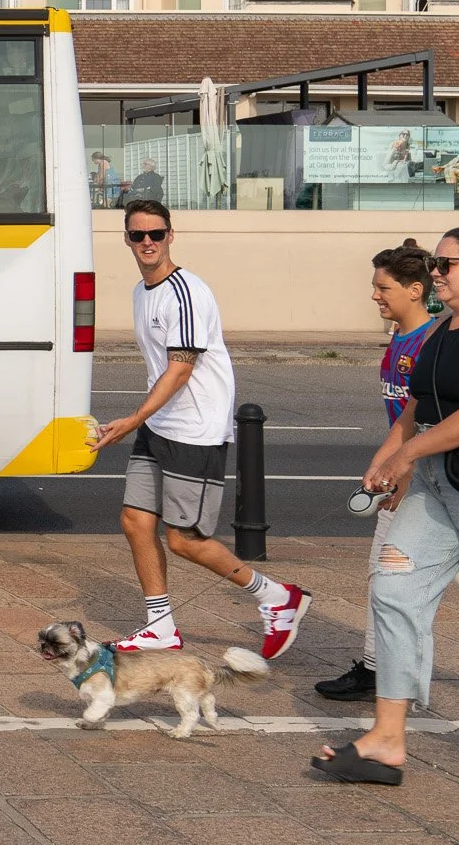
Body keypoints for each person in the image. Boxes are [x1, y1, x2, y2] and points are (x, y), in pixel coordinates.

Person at [318, 227, 459, 794]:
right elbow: (418, 407)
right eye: (434, 264)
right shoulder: (443, 328)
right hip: (436, 482)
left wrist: (409, 456)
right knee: (393, 591)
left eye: (446, 264)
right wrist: (386, 459)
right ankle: (386, 741)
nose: (437, 273)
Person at [92, 201, 310, 656]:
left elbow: (180, 369)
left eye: (156, 234)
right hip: (161, 423)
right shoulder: (141, 292)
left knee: (185, 540)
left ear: (171, 235)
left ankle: (276, 596)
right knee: (135, 520)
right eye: (138, 235)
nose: (147, 242)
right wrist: (146, 420)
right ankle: (161, 627)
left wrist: (134, 418)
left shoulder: (186, 292)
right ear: (126, 240)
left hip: (195, 429)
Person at [317, 241, 452, 702]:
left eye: (383, 287)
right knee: (387, 576)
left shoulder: (431, 340)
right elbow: (403, 417)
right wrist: (382, 462)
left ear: (416, 290)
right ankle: (377, 668)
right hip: (407, 473)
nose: (375, 295)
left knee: (393, 576)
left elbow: (432, 416)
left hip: (430, 479)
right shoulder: (399, 336)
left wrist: (407, 471)